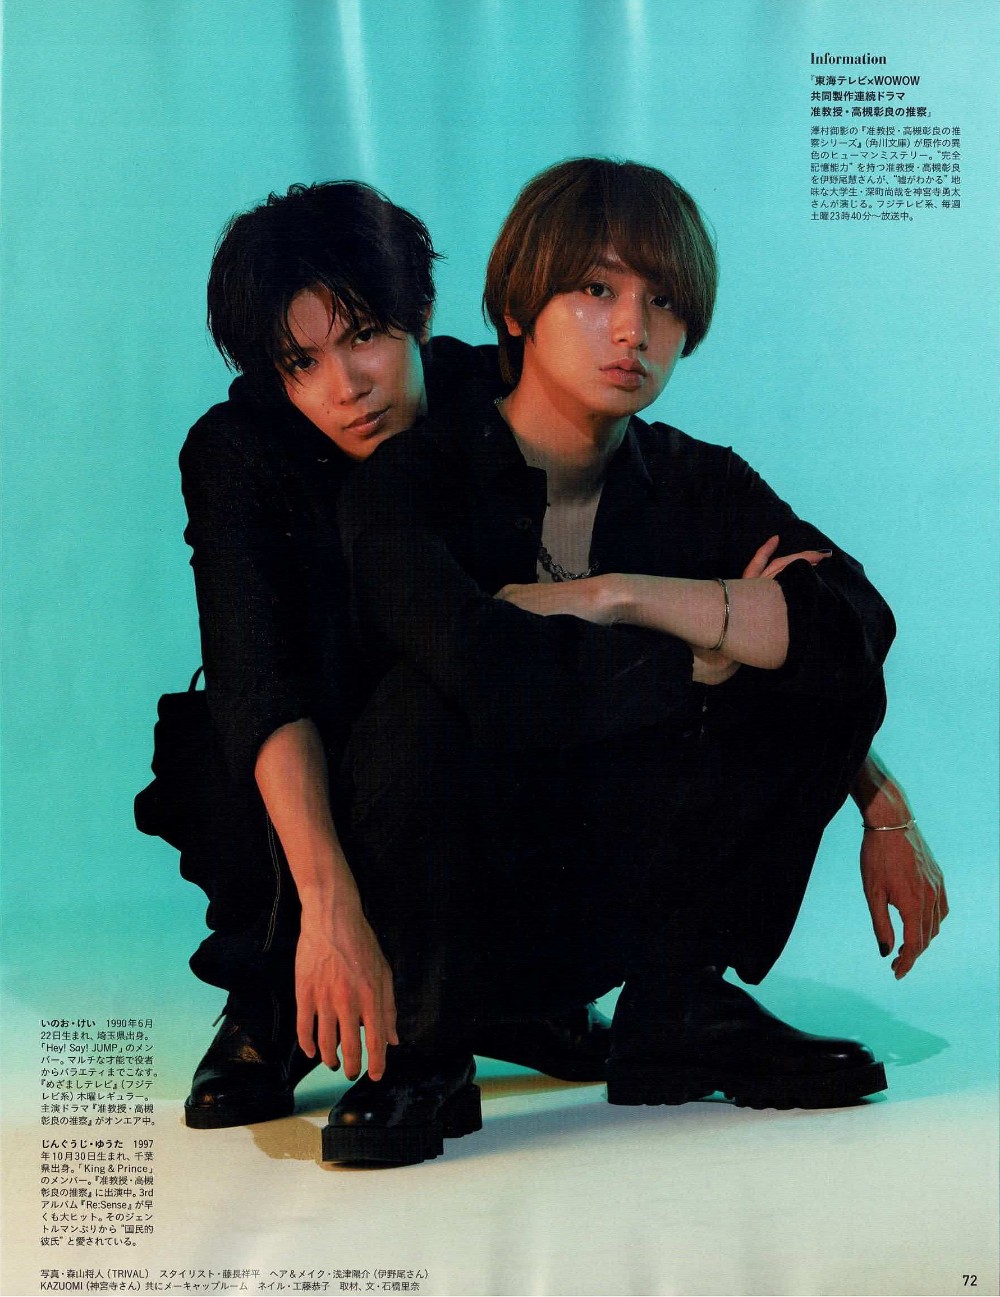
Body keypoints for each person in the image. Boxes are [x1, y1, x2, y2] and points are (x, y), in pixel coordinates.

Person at [335, 157, 947, 1163]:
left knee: (802, 660)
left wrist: (617, 595)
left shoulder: (693, 478)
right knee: (422, 705)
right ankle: (421, 1047)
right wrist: (698, 652)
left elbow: (850, 627)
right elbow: (477, 663)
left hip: (613, 889)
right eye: (596, 290)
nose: (633, 330)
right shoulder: (416, 474)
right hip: (458, 898)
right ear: (520, 307)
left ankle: (678, 1003)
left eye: (662, 301)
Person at [172, 181, 615, 1134]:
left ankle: (490, 999)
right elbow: (256, 675)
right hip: (317, 772)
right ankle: (282, 992)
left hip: (484, 763)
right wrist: (327, 907)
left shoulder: (504, 400)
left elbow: (652, 557)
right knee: (223, 733)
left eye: (365, 336)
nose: (346, 387)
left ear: (419, 314)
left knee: (452, 696)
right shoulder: (237, 449)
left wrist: (872, 788)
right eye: (302, 362)